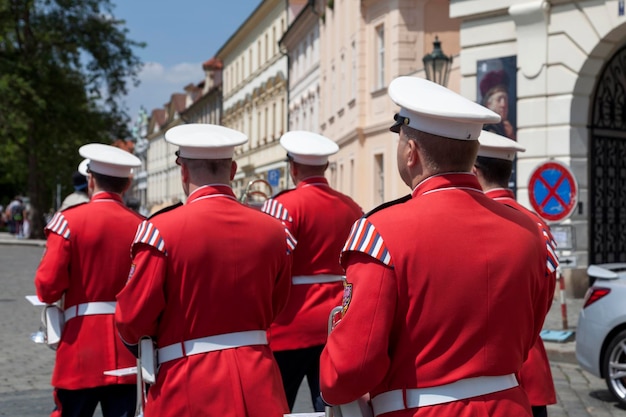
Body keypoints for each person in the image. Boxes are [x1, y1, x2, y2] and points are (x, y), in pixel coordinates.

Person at [319, 76, 558, 417]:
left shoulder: (380, 232)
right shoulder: (527, 231)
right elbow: (527, 335)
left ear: (411, 152)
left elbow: (349, 370)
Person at [115, 123, 293, 417]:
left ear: (183, 172)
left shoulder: (160, 230)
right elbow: (277, 305)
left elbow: (132, 319)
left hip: (187, 381)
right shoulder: (275, 231)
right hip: (259, 379)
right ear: (233, 170)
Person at [34, 144, 143, 417]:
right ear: (127, 184)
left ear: (91, 180)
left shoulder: (68, 222)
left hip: (80, 347)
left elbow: (47, 288)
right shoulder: (143, 226)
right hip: (128, 348)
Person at [261, 130, 363, 412]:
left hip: (288, 324)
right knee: (330, 408)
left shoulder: (282, 206)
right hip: (335, 323)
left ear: (292, 168)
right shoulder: (351, 207)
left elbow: (270, 262)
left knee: (278, 407)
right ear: (326, 166)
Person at [474, 130, 557, 417]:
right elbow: (544, 300)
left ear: (473, 170)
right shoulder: (538, 225)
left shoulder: (476, 220)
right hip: (530, 369)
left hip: (483, 375)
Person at [480, 69, 515, 140]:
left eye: (506, 100)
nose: (503, 105)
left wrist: (511, 136)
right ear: (488, 104)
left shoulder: (505, 128)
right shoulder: (488, 130)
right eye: (499, 100)